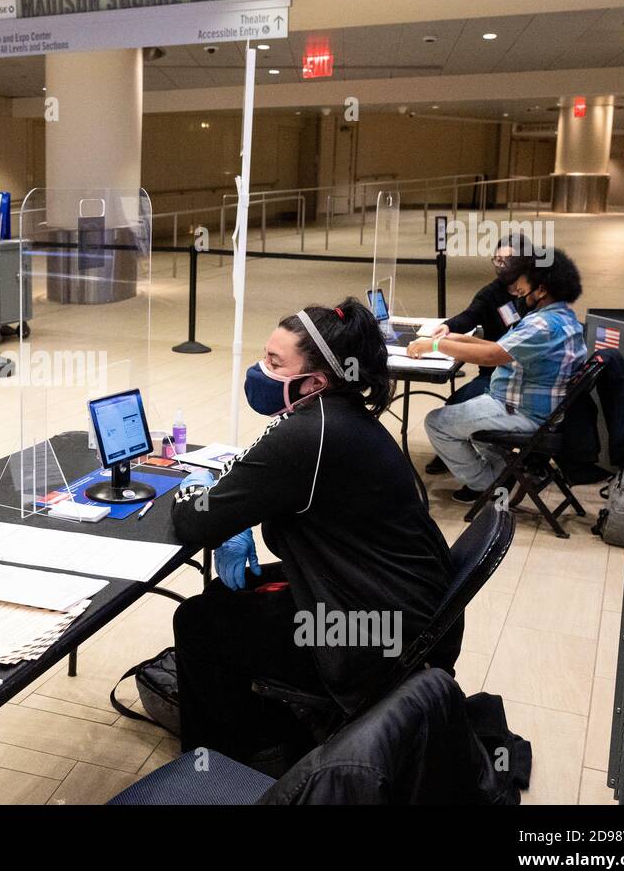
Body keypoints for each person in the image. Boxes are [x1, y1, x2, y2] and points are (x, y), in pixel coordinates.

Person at [170, 298, 456, 767]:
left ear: (315, 380)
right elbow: (262, 482)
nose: (260, 371)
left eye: (274, 363)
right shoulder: (340, 416)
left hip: (370, 635)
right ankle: (268, 732)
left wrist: (196, 487)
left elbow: (195, 518)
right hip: (405, 612)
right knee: (227, 604)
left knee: (200, 622)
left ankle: (215, 770)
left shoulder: (309, 433)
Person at [412, 248, 587, 503]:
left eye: (522, 283)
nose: (517, 290)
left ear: (541, 289)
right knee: (469, 417)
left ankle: (487, 484)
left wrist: (436, 346)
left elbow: (491, 357)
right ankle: (504, 474)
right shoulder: (564, 318)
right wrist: (457, 338)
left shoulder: (542, 326)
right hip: (534, 409)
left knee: (437, 423)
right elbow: (501, 348)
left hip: (520, 412)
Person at [423, 232, 532, 474]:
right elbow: (470, 315)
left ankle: (494, 476)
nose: (501, 267)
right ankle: (454, 456)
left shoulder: (536, 297)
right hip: (494, 372)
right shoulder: (491, 293)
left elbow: (496, 353)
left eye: (508, 261)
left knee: (453, 411)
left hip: (518, 379)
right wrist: (449, 327)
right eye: (497, 260)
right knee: (454, 404)